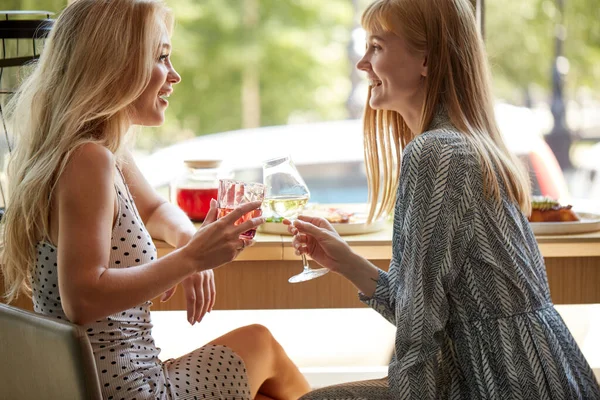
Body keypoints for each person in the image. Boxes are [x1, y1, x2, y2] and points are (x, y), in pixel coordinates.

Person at [0, 1, 310, 399]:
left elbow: (156, 210)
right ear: (115, 63)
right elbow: (83, 296)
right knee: (261, 343)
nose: (175, 75)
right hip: (132, 390)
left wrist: (186, 239)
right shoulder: (88, 160)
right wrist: (191, 260)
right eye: (162, 57)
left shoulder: (94, 150)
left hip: (108, 384)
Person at [290, 0, 600, 399]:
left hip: (502, 382)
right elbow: (423, 309)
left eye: (378, 47)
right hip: (532, 373)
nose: (362, 63)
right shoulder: (456, 144)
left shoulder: (437, 153)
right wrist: (344, 261)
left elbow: (418, 332)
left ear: (427, 61)